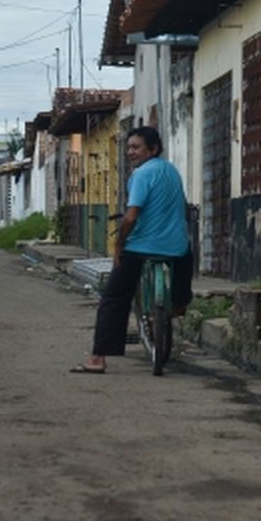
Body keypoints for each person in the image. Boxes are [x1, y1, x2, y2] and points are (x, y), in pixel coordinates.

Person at [71, 126, 189, 374]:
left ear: (153, 149)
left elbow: (131, 216)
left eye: (136, 147)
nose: (130, 152)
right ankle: (175, 307)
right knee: (185, 266)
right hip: (176, 247)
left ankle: (98, 359)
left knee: (113, 298)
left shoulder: (141, 174)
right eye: (129, 147)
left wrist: (119, 244)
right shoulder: (172, 171)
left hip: (141, 247)